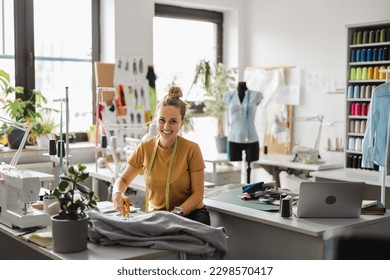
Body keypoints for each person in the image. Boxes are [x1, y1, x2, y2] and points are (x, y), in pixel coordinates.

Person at [112, 86, 210, 225]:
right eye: (162, 120)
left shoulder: (191, 149)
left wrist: (175, 214)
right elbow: (122, 180)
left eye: (173, 121)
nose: (166, 126)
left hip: (190, 214)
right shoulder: (145, 148)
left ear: (182, 123)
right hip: (157, 217)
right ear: (156, 120)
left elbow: (198, 196)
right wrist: (117, 193)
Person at [223, 81, 263, 183]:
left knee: (250, 167)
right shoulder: (228, 96)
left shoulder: (256, 95)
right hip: (234, 138)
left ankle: (249, 187)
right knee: (235, 171)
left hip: (251, 137)